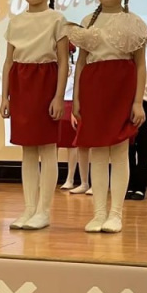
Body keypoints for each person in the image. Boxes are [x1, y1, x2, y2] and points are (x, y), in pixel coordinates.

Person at [68, 0, 147, 233]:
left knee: (120, 151)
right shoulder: (87, 22)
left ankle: (116, 213)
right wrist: (77, 99)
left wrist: (137, 101)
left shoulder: (134, 23)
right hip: (94, 89)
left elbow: (140, 64)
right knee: (98, 152)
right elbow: (81, 63)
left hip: (121, 88)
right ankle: (99, 212)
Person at [0, 0, 69, 230]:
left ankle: (44, 210)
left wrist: (58, 96)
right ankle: (29, 208)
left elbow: (62, 60)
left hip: (45, 81)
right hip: (21, 83)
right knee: (27, 149)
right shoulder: (15, 22)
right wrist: (5, 96)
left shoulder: (57, 19)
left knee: (47, 148)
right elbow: (9, 61)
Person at [126, 55, 147, 200]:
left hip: (145, 106)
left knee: (143, 150)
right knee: (127, 151)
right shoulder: (125, 61)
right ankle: (129, 185)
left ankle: (140, 188)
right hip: (126, 107)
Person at [59, 43, 90, 195]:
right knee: (52, 145)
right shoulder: (55, 68)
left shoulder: (75, 69)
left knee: (72, 145)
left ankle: (70, 178)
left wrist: (73, 108)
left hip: (71, 106)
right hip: (57, 105)